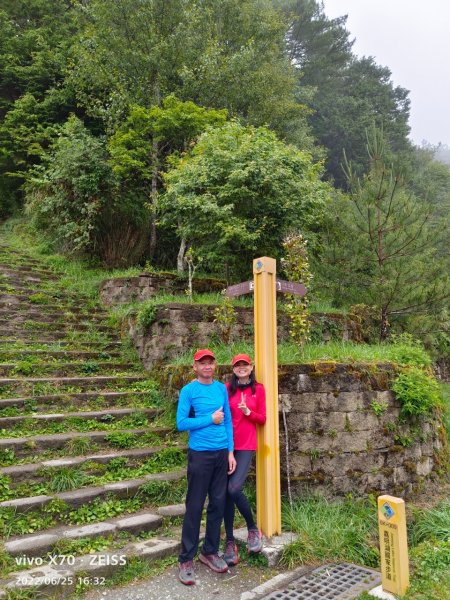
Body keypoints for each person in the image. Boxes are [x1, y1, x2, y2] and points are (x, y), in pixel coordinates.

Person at [176, 348, 236, 586]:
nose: (207, 366)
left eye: (211, 362)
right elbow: (181, 423)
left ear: (215, 366)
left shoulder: (221, 388)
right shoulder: (189, 390)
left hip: (221, 453)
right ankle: (186, 558)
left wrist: (230, 451)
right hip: (200, 454)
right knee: (195, 505)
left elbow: (229, 420)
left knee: (218, 503)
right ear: (195, 367)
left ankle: (209, 551)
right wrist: (209, 419)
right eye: (203, 363)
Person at [223, 353, 266, 566]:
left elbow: (263, 418)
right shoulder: (226, 389)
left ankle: (252, 529)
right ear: (233, 369)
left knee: (233, 489)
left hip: (246, 445)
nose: (241, 368)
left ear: (251, 367)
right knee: (225, 494)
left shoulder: (258, 389)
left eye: (245, 365)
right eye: (237, 365)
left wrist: (248, 411)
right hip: (226, 446)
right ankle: (230, 541)